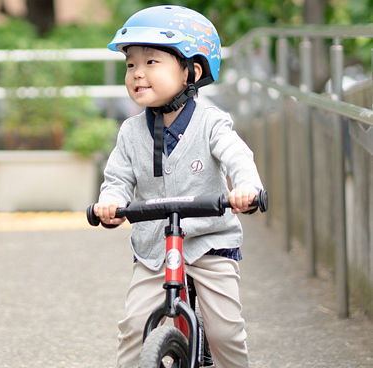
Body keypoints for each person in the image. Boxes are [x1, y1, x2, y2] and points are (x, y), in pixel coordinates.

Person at [92, 5, 263, 368]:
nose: (137, 73)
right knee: (134, 329)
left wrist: (245, 188)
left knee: (224, 332)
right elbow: (119, 178)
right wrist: (110, 203)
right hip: (155, 248)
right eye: (130, 64)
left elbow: (238, 157)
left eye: (151, 62)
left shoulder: (212, 122)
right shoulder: (130, 132)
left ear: (192, 71)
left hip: (209, 240)